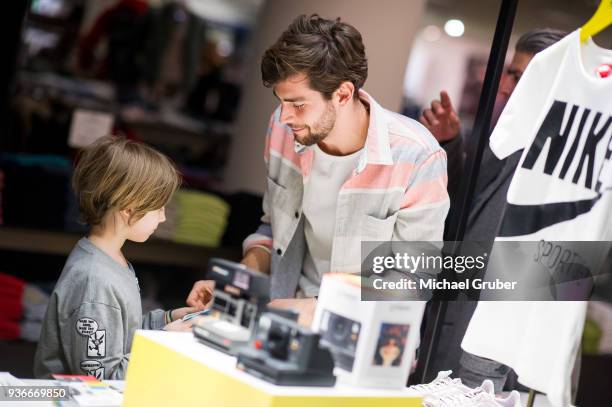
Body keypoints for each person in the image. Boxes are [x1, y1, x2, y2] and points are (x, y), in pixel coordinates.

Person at [190, 14, 450, 326]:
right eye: (281, 101)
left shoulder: (417, 155)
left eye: (298, 104)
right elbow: (274, 229)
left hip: (366, 339)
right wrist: (242, 277)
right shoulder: (283, 127)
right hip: (283, 317)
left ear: (342, 94)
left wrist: (323, 305)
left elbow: (414, 278)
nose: (284, 116)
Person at [419, 29, 567, 390]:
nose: (504, 84)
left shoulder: (559, 158)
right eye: (509, 71)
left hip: (495, 340)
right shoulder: (504, 135)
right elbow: (463, 205)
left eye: (520, 76)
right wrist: (451, 144)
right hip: (454, 315)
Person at [34, 136, 213, 380]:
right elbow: (101, 379)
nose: (162, 218)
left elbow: (121, 332)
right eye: (159, 207)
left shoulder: (108, 258)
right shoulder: (95, 281)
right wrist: (165, 342)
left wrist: (169, 319)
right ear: (129, 207)